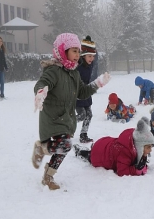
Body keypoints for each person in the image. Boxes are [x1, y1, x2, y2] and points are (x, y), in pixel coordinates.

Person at [31, 33, 110, 190]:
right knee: (65, 145)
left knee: (64, 147)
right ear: (62, 50)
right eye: (74, 51)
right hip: (53, 118)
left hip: (66, 118)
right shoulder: (53, 70)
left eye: (78, 51)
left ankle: (48, 177)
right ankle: (41, 149)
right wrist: (41, 92)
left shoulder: (74, 72)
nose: (77, 55)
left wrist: (97, 83)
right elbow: (42, 83)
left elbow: (82, 92)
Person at [73, 117, 154, 177]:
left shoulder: (134, 141)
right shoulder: (125, 151)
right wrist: (135, 170)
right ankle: (80, 152)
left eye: (151, 146)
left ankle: (90, 148)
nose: (150, 150)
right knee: (90, 156)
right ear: (139, 146)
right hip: (100, 154)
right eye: (148, 147)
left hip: (106, 143)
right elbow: (122, 171)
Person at [76, 36, 97, 143]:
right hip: (78, 95)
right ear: (83, 55)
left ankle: (83, 134)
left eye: (93, 56)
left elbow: (93, 56)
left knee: (89, 114)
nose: (91, 58)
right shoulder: (77, 66)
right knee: (81, 115)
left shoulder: (90, 63)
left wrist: (89, 42)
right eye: (89, 56)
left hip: (87, 93)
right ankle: (66, 125)